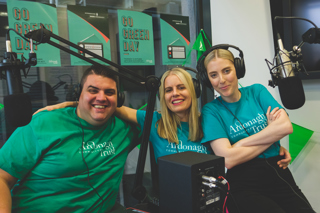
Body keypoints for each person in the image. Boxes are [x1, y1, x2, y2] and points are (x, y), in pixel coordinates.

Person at [36, 67, 291, 166]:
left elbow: (235, 148)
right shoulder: (153, 120)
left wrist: (275, 148)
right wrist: (70, 103)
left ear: (192, 92)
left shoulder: (210, 121)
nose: (175, 94)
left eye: (181, 88)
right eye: (168, 90)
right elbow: (109, 105)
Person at [0, 66, 140, 212]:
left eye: (109, 93)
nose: (101, 97)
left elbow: (161, 121)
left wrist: (110, 106)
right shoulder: (42, 124)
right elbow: (2, 177)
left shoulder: (125, 128)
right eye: (93, 90)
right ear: (78, 93)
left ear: (119, 98)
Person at [197, 45, 315, 213]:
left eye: (226, 71)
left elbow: (285, 126)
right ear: (207, 79)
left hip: (279, 173)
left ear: (238, 69)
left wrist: (239, 145)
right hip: (244, 184)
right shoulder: (211, 111)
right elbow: (228, 159)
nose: (221, 80)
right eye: (213, 75)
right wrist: (271, 135)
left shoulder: (257, 92)